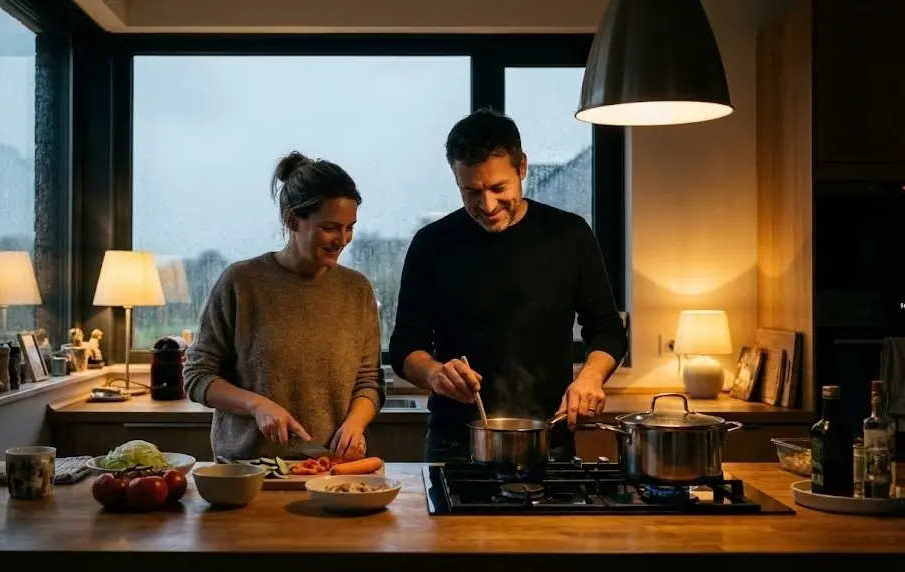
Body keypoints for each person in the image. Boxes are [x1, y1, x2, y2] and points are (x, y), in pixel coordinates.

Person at [389, 109, 628, 463]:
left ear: (523, 168)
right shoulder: (431, 244)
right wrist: (436, 373)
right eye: (471, 192)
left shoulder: (570, 235)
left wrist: (590, 378)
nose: (487, 205)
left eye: (499, 188)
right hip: (456, 445)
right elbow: (405, 348)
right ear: (456, 181)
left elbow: (608, 330)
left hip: (548, 440)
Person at [183, 151, 385, 462]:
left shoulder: (357, 290)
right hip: (248, 472)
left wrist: (355, 425)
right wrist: (257, 405)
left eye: (349, 227)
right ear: (292, 219)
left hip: (331, 470)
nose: (342, 239)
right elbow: (197, 376)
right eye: (330, 227)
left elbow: (369, 382)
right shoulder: (241, 282)